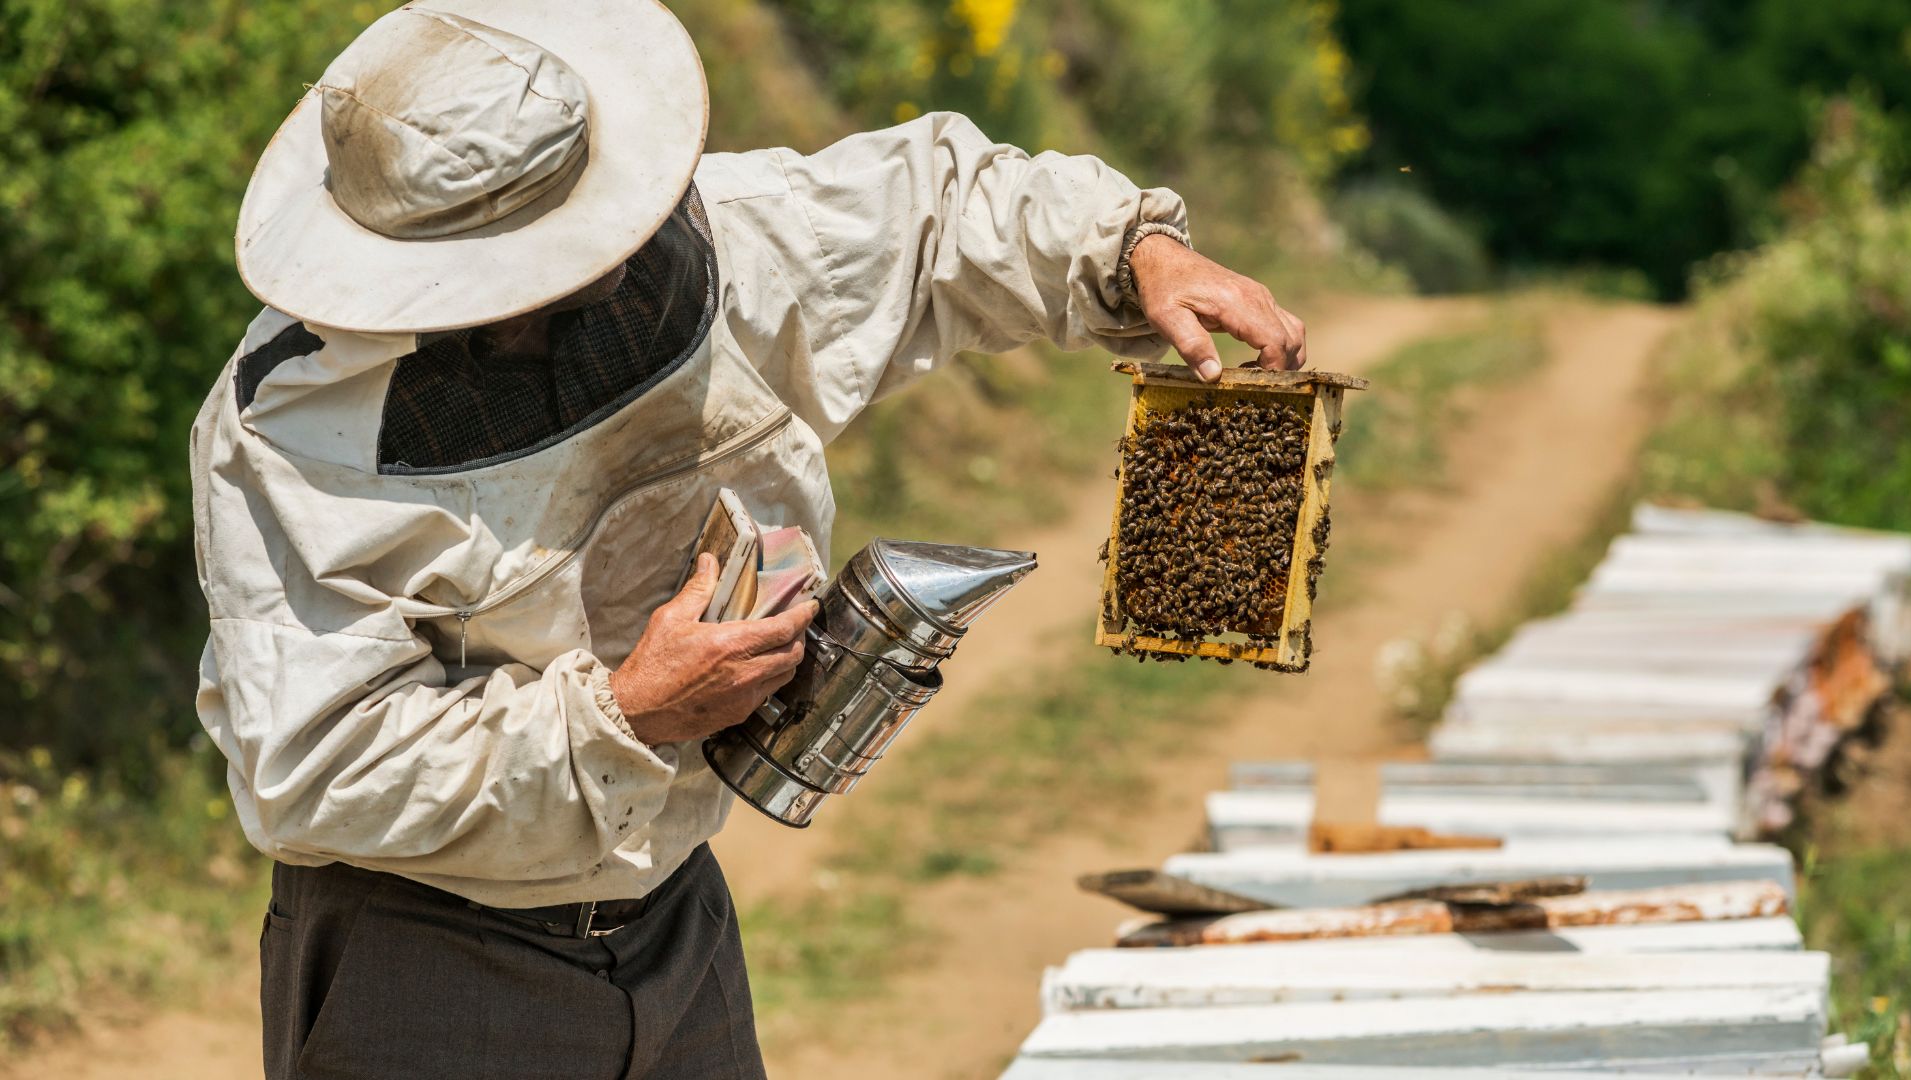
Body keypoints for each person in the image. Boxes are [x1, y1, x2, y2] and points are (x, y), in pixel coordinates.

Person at [189, 2, 1307, 1077]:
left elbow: (934, 212)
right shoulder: (286, 433)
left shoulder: (713, 242)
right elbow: (316, 769)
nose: (560, 299)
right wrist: (621, 715)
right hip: (430, 964)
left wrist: (1133, 251)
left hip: (674, 921)